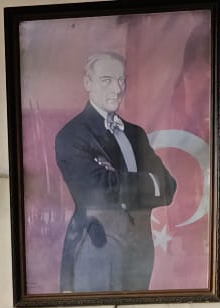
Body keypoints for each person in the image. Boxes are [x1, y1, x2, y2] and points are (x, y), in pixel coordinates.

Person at [55, 50, 178, 293]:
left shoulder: (135, 133)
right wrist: (149, 183)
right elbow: (97, 192)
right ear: (87, 83)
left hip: (139, 251)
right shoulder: (72, 134)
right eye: (107, 80)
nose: (117, 89)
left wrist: (116, 180)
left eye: (121, 80)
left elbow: (169, 187)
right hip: (95, 250)